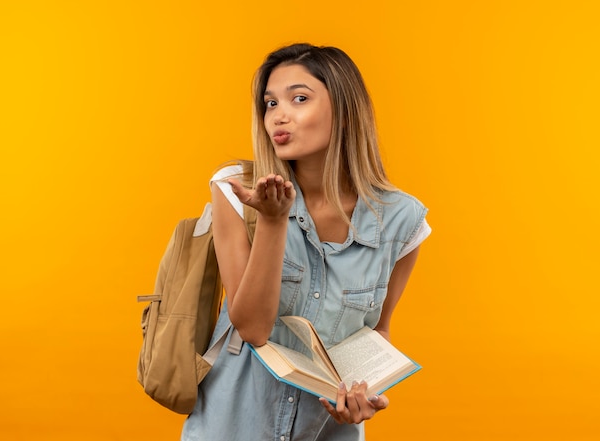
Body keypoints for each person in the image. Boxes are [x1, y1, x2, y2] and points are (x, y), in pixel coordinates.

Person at [181, 43, 431, 441]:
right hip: (231, 427)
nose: (279, 115)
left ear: (345, 113)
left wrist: (364, 393)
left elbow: (377, 332)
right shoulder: (236, 190)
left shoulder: (402, 220)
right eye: (270, 103)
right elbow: (252, 328)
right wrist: (274, 220)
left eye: (299, 99)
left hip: (326, 431)